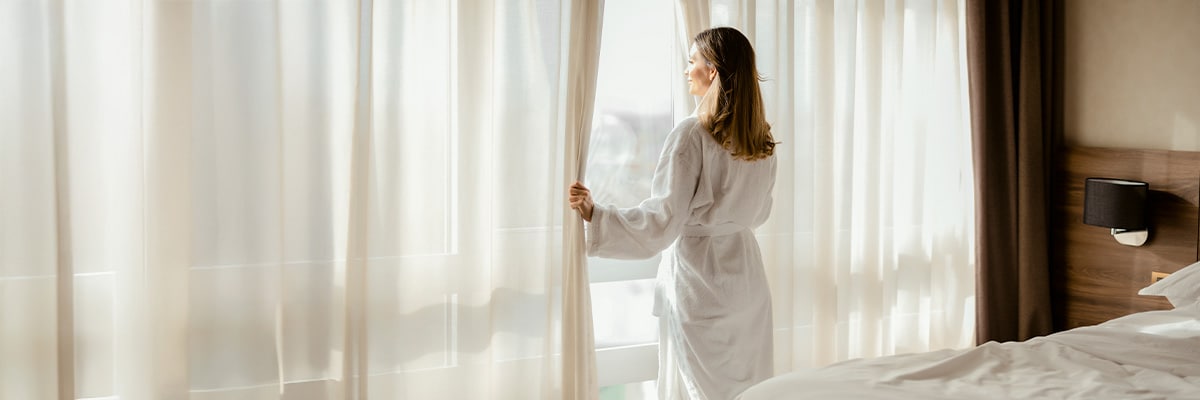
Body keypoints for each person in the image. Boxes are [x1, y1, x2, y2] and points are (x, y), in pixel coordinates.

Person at [568, 26, 777, 400]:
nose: (686, 70)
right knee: (751, 391)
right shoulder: (760, 140)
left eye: (692, 61)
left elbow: (661, 221)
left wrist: (595, 215)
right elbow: (760, 214)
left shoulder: (692, 136)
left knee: (702, 391)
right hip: (747, 284)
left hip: (702, 286)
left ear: (712, 71)